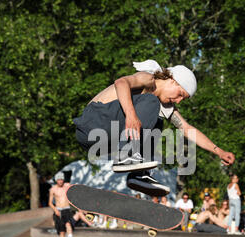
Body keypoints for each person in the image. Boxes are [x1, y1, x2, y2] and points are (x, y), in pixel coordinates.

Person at [73, 59, 235, 196]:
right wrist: (131, 115)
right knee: (151, 102)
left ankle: (138, 176)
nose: (178, 101)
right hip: (92, 124)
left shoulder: (162, 105)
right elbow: (121, 82)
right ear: (172, 80)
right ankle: (127, 154)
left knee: (158, 122)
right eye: (180, 95)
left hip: (102, 140)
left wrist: (219, 151)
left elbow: (186, 128)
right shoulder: (148, 79)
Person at [48, 172, 92, 237]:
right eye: (59, 180)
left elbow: (75, 190)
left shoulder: (67, 186)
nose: (60, 181)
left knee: (68, 223)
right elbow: (49, 202)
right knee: (61, 232)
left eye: (62, 179)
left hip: (67, 209)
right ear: (56, 180)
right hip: (58, 210)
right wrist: (55, 209)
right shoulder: (53, 189)